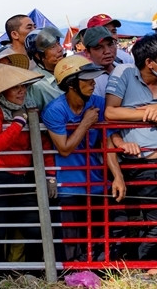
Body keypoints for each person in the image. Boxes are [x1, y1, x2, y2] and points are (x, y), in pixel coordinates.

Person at [42, 55, 126, 262]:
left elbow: (107, 142)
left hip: (96, 182)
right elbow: (64, 148)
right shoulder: (54, 110)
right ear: (71, 84)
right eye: (87, 80)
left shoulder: (99, 104)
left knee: (102, 237)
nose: (93, 83)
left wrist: (117, 176)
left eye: (93, 79)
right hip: (68, 186)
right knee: (71, 245)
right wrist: (86, 123)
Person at [0, 64, 51, 265]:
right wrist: (18, 123)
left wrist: (50, 174)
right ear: (2, 90)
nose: (21, 91)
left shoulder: (29, 108)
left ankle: (33, 272)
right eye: (15, 87)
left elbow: (43, 142)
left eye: (23, 86)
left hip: (23, 175)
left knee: (33, 227)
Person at [104, 34, 157, 262]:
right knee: (151, 219)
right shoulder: (124, 72)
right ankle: (145, 265)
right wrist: (145, 113)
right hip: (140, 162)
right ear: (150, 62)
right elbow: (110, 112)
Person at [25, 27, 65, 112]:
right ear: (38, 55)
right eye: (53, 47)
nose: (60, 49)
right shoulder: (36, 85)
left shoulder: (70, 70)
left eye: (58, 44)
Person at [83, 26, 117, 96]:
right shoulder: (89, 81)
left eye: (110, 44)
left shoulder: (127, 69)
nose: (107, 51)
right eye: (98, 47)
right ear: (87, 53)